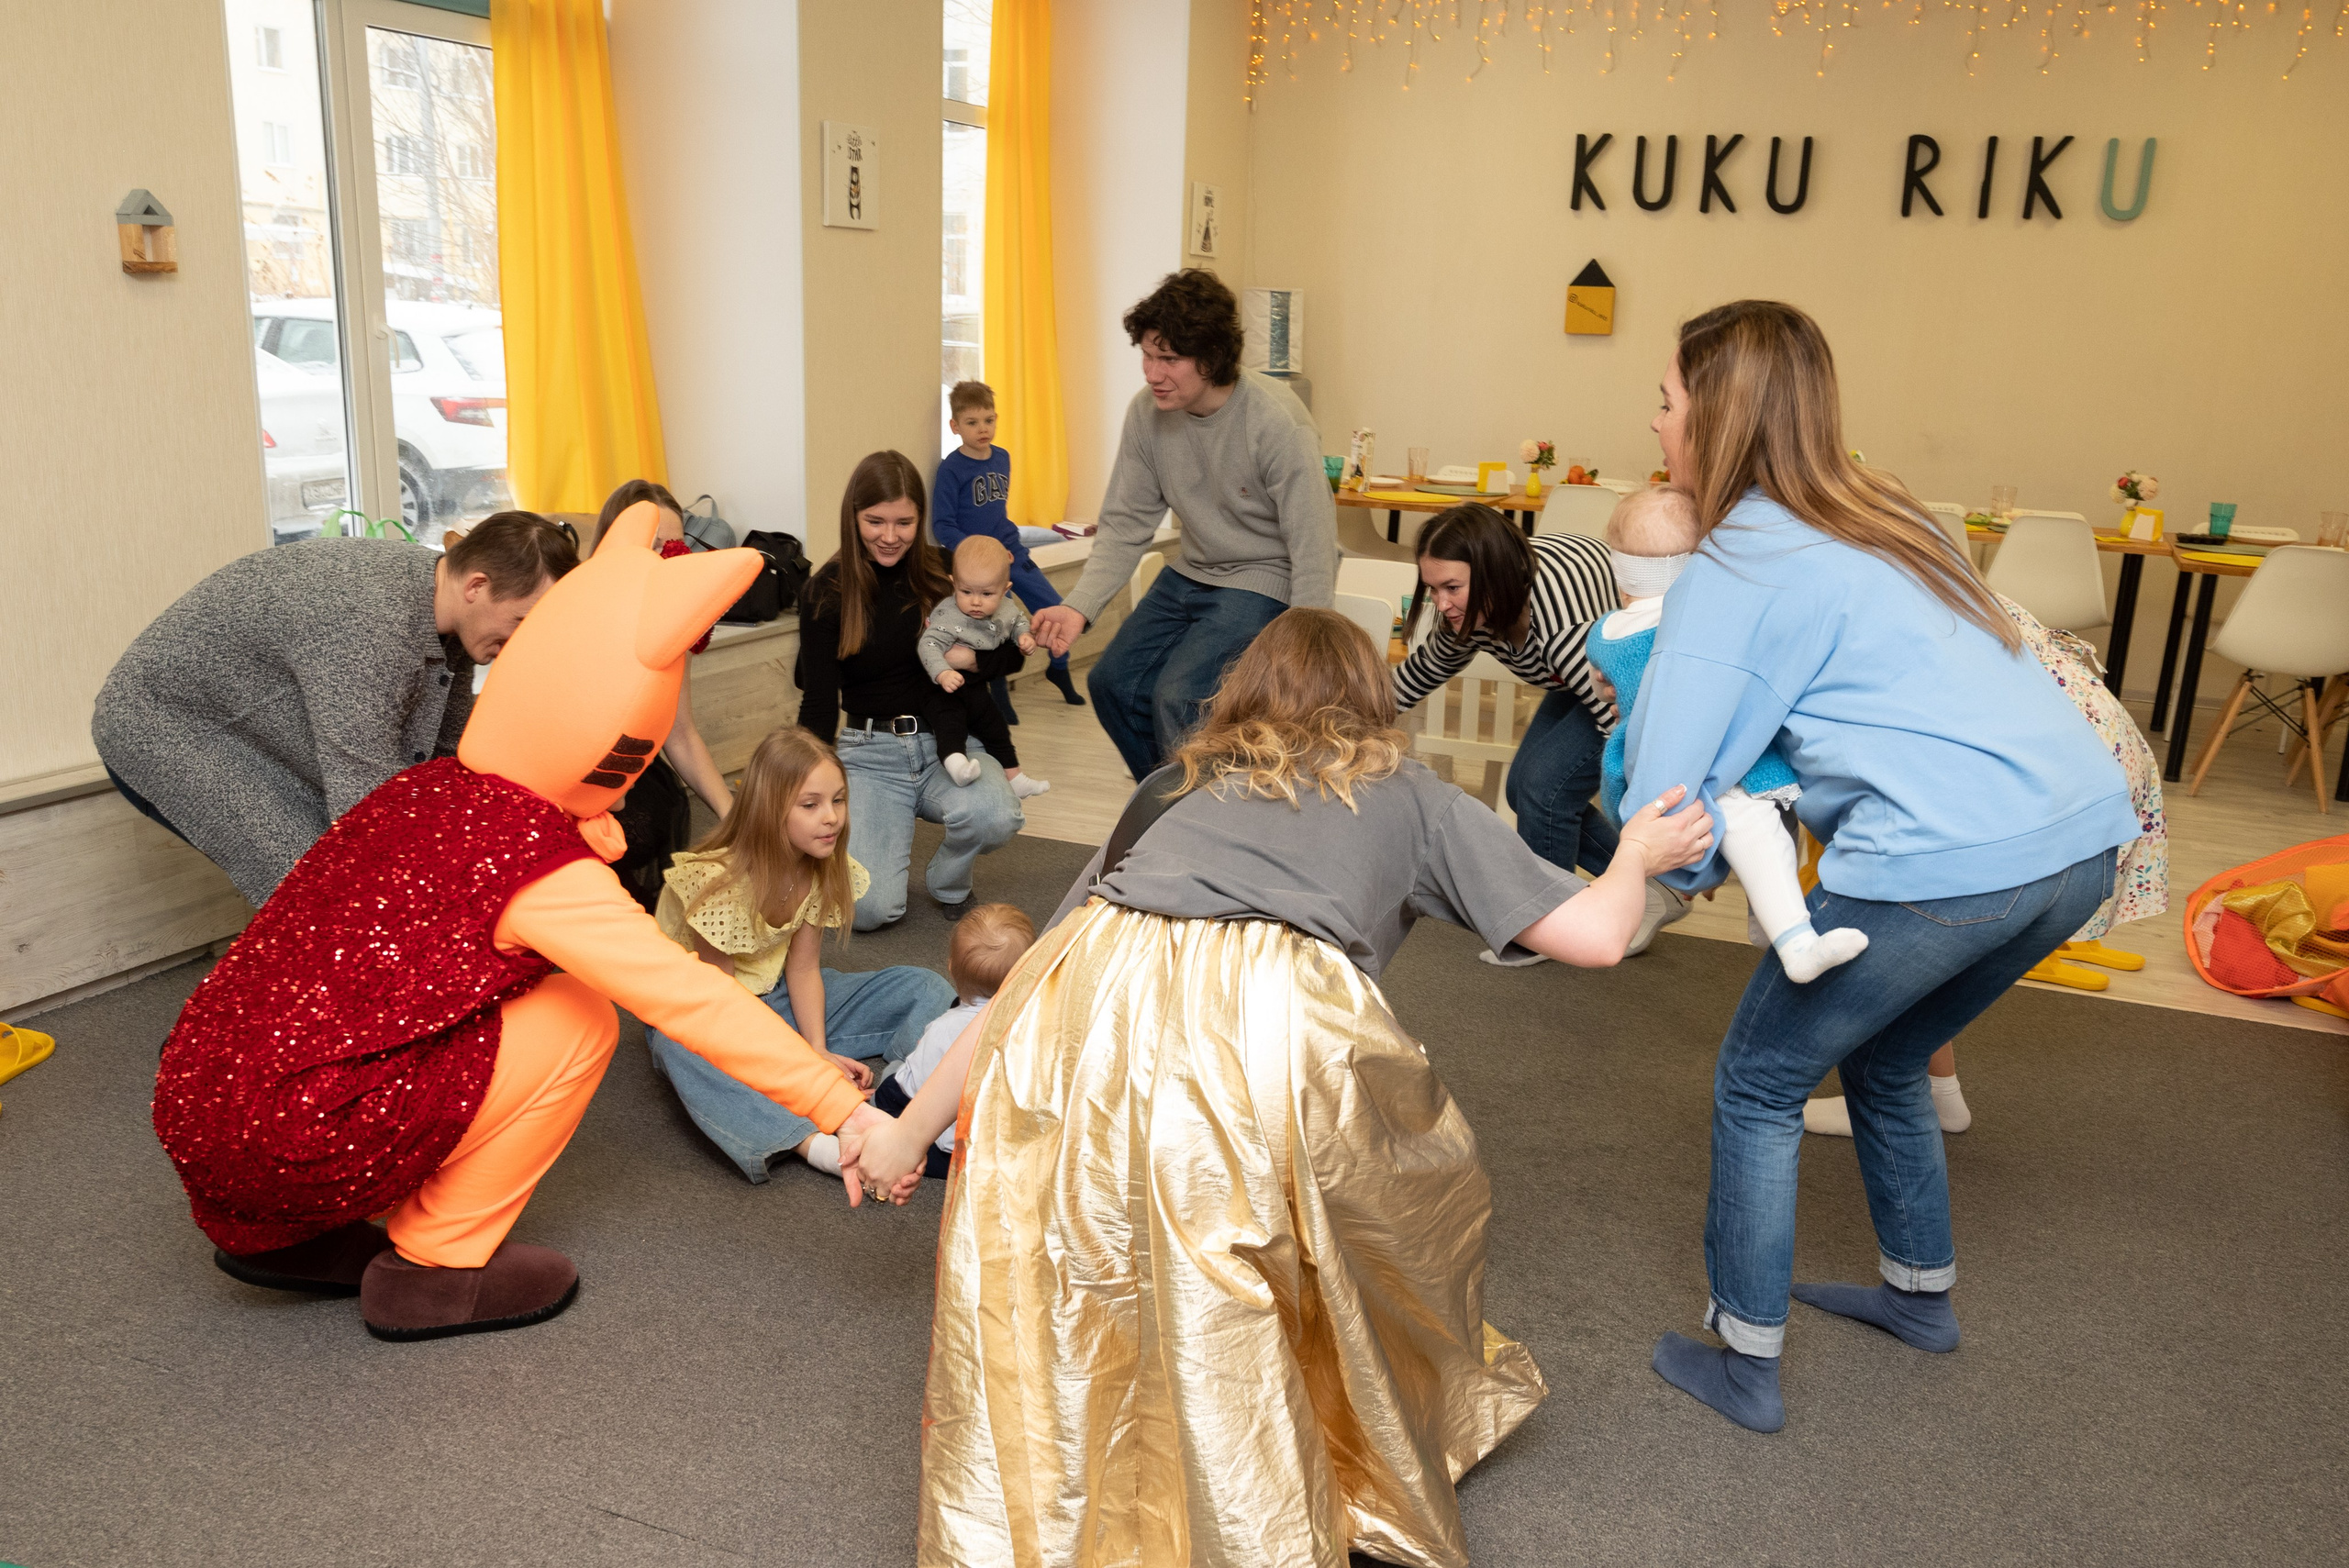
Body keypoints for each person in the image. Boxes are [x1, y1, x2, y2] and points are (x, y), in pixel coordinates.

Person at [842, 608, 1716, 1567]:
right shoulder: (1406, 789)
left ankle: (1088, 1499)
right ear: (1371, 699)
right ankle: (1285, 1491)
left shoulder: (1170, 782)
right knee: (1342, 1223)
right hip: (1268, 1017)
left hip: (1089, 1003)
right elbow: (1595, 936)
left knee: (1096, 1244)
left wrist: (907, 1128)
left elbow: (1030, 978)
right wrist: (1633, 857)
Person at [151, 504, 893, 1340]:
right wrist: (843, 1109)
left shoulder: (424, 788)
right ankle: (435, 1265)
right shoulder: (538, 866)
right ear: (622, 751)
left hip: (203, 1104)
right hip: (285, 1137)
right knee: (582, 1016)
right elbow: (688, 997)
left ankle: (299, 1231)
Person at [1621, 301, 2140, 1433]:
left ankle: (1743, 1358)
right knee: (1891, 1052)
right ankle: (1919, 1298)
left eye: (1664, 400)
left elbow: (1662, 792)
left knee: (1759, 1078)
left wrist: (1641, 844)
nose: (1652, 421)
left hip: (1944, 856)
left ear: (1713, 416)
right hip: (2080, 840)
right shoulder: (1894, 512)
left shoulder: (1739, 560)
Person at [1801, 587, 2170, 1137]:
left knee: (1895, 931)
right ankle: (1935, 1091)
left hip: (2035, 785)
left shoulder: (1860, 603)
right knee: (1916, 943)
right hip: (2090, 768)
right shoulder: (1924, 577)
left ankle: (1899, 1091)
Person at [94, 511, 577, 906]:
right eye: (521, 621)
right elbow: (366, 805)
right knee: (320, 894)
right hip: (163, 722)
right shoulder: (369, 625)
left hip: (241, 713)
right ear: (476, 585)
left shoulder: (450, 615)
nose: (521, 643)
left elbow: (449, 752)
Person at [1030, 269, 1338, 780]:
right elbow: (1127, 523)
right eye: (1148, 355)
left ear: (1211, 358)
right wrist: (1077, 607)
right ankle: (1172, 810)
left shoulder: (1278, 422)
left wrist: (1309, 647)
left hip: (1266, 577)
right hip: (1193, 571)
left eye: (1168, 358)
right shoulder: (1146, 416)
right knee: (1112, 683)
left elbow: (1312, 544)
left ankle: (1196, 827)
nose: (1152, 373)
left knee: (1180, 696)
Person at [1587, 486, 1869, 984]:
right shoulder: (1702, 619)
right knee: (1769, 837)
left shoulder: (1607, 632)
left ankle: (1781, 929)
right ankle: (1791, 937)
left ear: (1622, 575)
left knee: (1764, 840)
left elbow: (1604, 683)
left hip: (1654, 773)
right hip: (1726, 766)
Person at [648, 727, 954, 1181]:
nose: (831, 817)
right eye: (810, 805)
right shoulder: (719, 883)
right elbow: (721, 1009)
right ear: (769, 812)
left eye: (838, 800)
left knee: (922, 985)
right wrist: (811, 1074)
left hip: (777, 996)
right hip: (708, 1015)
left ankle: (899, 1095)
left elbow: (804, 968)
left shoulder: (821, 865)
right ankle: (818, 1146)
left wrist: (815, 1049)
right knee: (679, 1051)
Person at [1395, 501, 1691, 963]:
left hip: (1630, 681)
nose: (1440, 603)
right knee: (1524, 792)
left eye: (1451, 587)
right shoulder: (1466, 611)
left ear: (1493, 575)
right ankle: (1660, 885)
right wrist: (1340, 720)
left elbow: (1626, 730)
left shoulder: (1559, 626)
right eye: (1431, 589)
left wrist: (1664, 829)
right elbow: (1419, 673)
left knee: (1543, 791)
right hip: (1577, 673)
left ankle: (1551, 921)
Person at [796, 451, 1027, 929]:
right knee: (867, 912)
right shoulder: (826, 591)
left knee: (998, 817)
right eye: (874, 521)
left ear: (920, 518)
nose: (889, 536)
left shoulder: (944, 570)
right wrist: (800, 787)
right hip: (870, 754)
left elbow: (1006, 650)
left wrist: (974, 660)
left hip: (948, 742)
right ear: (853, 517)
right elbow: (818, 703)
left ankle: (948, 879)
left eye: (904, 522)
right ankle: (857, 851)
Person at [589, 479, 739, 911]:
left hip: (634, 764)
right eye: (655, 545)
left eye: (675, 545)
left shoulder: (673, 623)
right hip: (575, 776)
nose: (668, 556)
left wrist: (735, 818)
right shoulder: (585, 611)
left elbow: (682, 732)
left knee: (665, 810)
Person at [930, 379, 1085, 716]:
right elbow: (942, 525)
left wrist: (1005, 547)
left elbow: (995, 512)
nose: (983, 429)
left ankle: (1059, 669)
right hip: (980, 566)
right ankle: (999, 694)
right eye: (972, 423)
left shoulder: (1002, 458)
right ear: (955, 426)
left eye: (989, 420)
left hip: (1013, 552)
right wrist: (982, 551)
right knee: (997, 625)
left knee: (1055, 607)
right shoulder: (951, 469)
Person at [869, 901, 1034, 1181]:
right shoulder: (1032, 1022)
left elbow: (912, 1086)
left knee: (893, 1076)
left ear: (950, 967)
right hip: (989, 1143)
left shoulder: (945, 1030)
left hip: (945, 1151)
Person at [917, 536, 1051, 797]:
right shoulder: (948, 615)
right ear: (954, 584)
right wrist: (942, 672)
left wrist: (1024, 637)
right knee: (949, 724)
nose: (976, 602)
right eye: (966, 592)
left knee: (996, 726)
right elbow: (928, 645)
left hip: (976, 687)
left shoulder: (1006, 609)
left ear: (1005, 589)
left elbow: (1019, 622)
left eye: (987, 594)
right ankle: (956, 764)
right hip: (943, 689)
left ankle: (1014, 777)